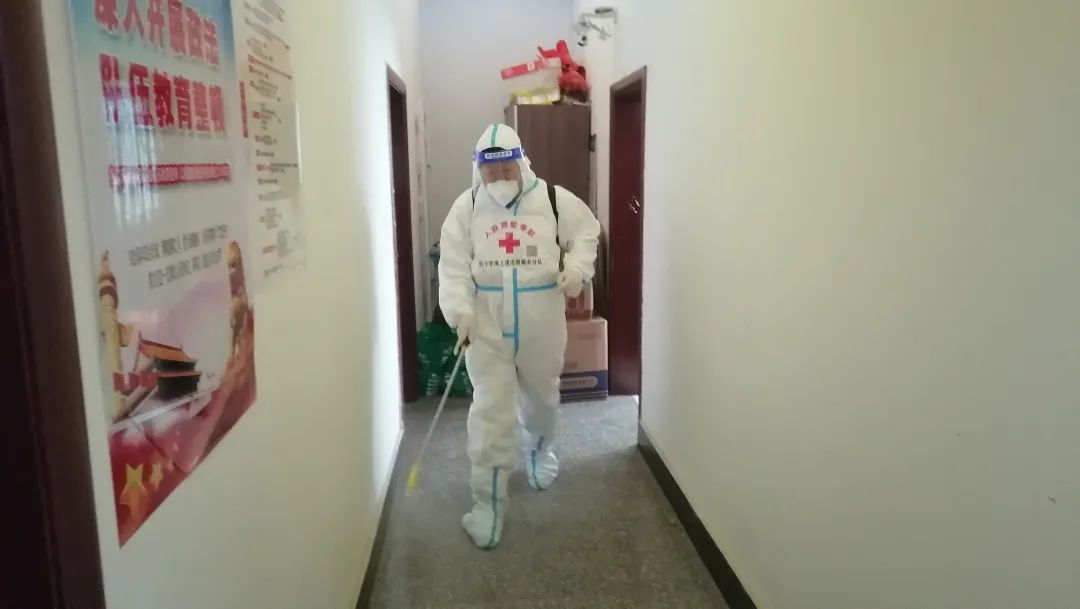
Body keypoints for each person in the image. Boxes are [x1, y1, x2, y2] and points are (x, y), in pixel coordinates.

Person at [439, 124, 600, 549]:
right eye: (489, 172)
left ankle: (539, 450)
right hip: (486, 326)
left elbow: (587, 231)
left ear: (521, 163)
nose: (498, 178)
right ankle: (487, 505)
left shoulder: (552, 199)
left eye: (505, 168)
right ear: (479, 170)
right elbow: (452, 266)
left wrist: (577, 270)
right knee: (490, 412)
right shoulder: (467, 207)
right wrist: (460, 312)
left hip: (540, 320)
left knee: (542, 398)